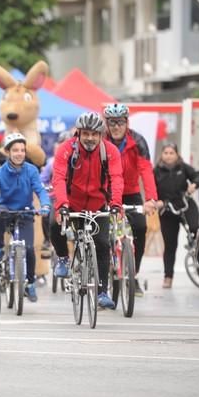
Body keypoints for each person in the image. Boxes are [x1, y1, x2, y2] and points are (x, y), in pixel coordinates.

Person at [51, 112, 124, 309]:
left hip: (97, 204)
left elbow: (116, 178)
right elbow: (58, 178)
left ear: (101, 134)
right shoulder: (67, 149)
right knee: (52, 224)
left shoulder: (110, 152)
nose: (90, 138)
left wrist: (116, 204)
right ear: (78, 133)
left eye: (94, 134)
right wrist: (62, 205)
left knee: (102, 244)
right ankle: (64, 259)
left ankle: (101, 292)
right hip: (71, 203)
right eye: (86, 134)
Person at [0, 133, 51, 303]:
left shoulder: (31, 170)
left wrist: (45, 205)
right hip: (5, 210)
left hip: (25, 211)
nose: (19, 153)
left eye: (22, 150)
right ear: (8, 152)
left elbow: (40, 190)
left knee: (28, 249)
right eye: (15, 150)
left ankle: (30, 283)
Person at [103, 103, 158, 297]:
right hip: (107, 192)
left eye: (120, 122)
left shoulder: (138, 141)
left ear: (127, 123)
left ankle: (132, 274)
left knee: (141, 228)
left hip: (131, 192)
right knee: (102, 233)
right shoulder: (100, 140)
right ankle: (104, 270)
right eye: (111, 122)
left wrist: (150, 199)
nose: (116, 126)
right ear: (106, 124)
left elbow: (146, 170)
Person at [153, 143, 199, 289]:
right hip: (167, 210)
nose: (169, 155)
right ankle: (168, 277)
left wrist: (194, 185)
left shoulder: (183, 167)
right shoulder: (156, 171)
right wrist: (157, 202)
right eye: (166, 153)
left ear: (176, 155)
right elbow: (150, 189)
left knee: (197, 230)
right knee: (170, 245)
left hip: (185, 204)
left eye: (171, 153)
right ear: (162, 155)